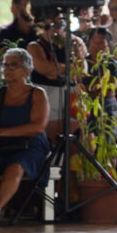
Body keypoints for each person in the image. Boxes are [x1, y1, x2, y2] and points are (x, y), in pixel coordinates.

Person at [0, 48, 50, 226]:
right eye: (5, 65)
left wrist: (1, 132)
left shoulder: (37, 94)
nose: (7, 69)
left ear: (26, 71)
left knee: (15, 167)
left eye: (13, 65)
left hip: (29, 145)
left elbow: (38, 127)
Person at [28, 9, 86, 139]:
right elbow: (44, 68)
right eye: (51, 21)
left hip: (72, 96)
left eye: (59, 21)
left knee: (80, 138)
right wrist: (68, 68)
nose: (56, 25)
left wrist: (56, 69)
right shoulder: (35, 46)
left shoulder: (75, 42)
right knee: (54, 137)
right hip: (47, 95)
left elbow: (80, 72)